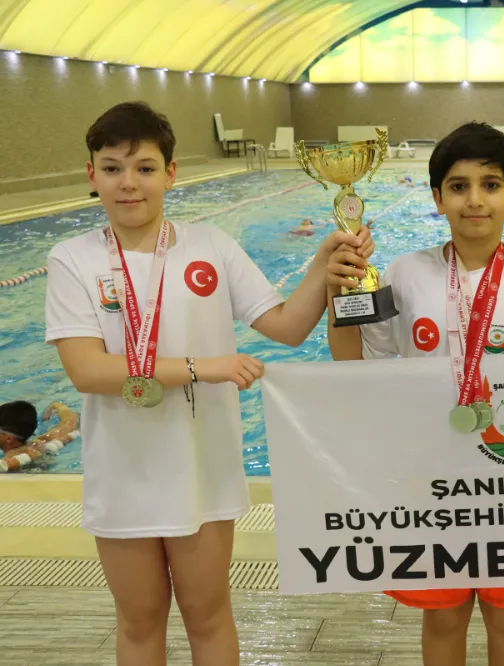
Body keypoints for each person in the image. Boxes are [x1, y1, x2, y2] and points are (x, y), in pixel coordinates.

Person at [44, 101, 372, 666]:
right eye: (113, 168)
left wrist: (325, 264)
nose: (128, 183)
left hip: (203, 467)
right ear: (91, 175)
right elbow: (88, 371)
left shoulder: (211, 246)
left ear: (171, 174)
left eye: (145, 168)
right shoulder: (72, 258)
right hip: (123, 472)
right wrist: (205, 366)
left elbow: (288, 327)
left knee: (208, 615)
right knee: (139, 621)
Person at [326, 121, 504, 666]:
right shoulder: (404, 273)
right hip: (430, 479)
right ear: (437, 198)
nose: (475, 200)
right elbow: (358, 366)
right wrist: (336, 293)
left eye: (491, 185)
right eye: (459, 186)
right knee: (442, 616)